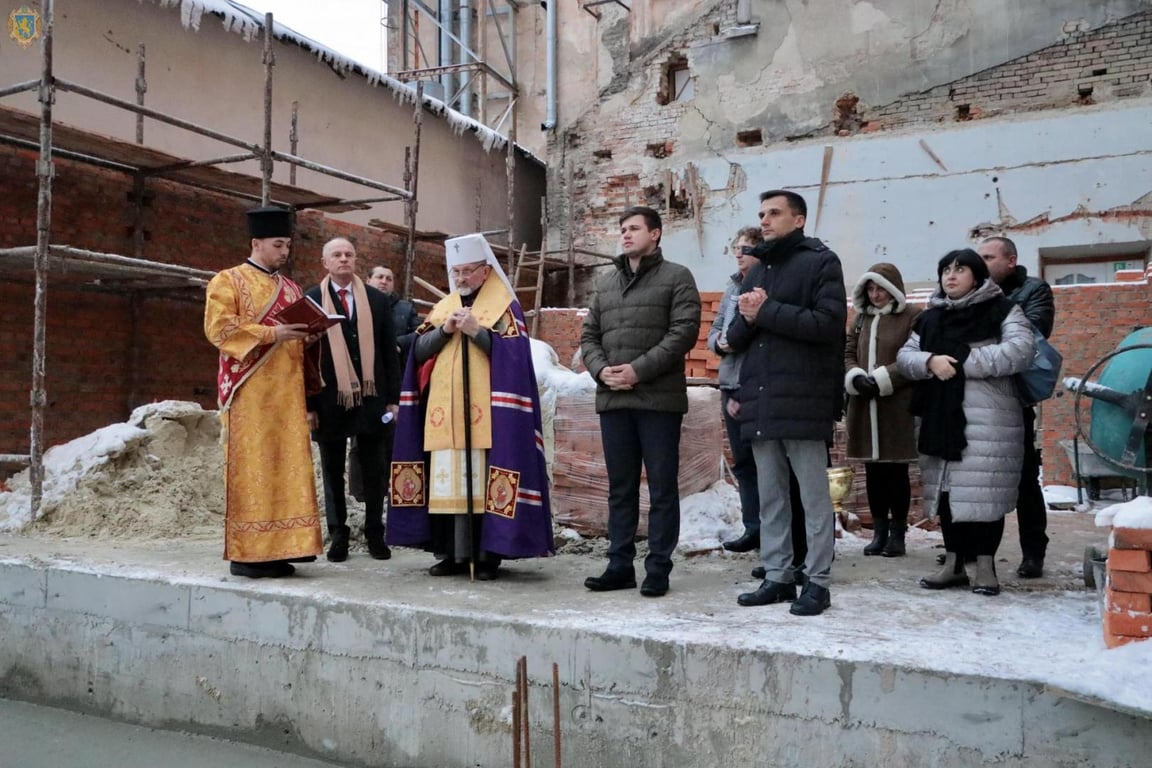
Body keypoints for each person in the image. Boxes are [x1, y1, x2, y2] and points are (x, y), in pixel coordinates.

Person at [386, 234, 553, 580]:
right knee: (446, 485)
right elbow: (417, 353)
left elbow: (515, 359)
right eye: (456, 271)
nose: (460, 278)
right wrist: (445, 331)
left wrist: (479, 332)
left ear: (485, 270)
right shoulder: (444, 307)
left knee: (480, 487)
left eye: (467, 271)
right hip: (442, 415)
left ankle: (486, 555)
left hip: (487, 418)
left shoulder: (505, 307)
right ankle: (450, 554)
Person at [726, 190, 846, 617]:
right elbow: (738, 340)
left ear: (799, 220)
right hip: (762, 400)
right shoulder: (758, 270)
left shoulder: (821, 262)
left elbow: (829, 325)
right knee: (772, 497)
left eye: (774, 213)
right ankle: (777, 576)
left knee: (814, 499)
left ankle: (817, 582)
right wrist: (744, 316)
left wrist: (767, 311)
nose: (765, 221)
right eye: (761, 214)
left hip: (804, 401)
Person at [897, 249, 1034, 596]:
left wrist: (960, 361)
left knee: (985, 492)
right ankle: (954, 564)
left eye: (960, 269)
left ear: (977, 275)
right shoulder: (931, 318)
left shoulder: (1003, 310)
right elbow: (904, 356)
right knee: (947, 493)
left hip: (989, 421)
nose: (950, 276)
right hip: (940, 417)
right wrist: (929, 361)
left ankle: (986, 567)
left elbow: (1021, 350)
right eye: (945, 270)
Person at [581, 205, 702, 598]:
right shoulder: (606, 282)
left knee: (662, 487)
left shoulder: (677, 277)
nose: (626, 234)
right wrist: (601, 371)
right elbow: (589, 336)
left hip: (657, 400)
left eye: (634, 228)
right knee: (621, 487)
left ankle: (658, 568)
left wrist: (637, 370)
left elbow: (683, 333)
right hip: (613, 399)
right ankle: (619, 565)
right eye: (622, 229)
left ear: (656, 234)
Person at [203, 206, 323, 579]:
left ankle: (282, 549)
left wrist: (312, 335)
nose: (285, 251)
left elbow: (296, 337)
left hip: (287, 394)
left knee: (286, 468)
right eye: (277, 244)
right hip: (251, 393)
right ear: (256, 243)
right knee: (254, 470)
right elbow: (219, 329)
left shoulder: (291, 288)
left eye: (287, 244)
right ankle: (248, 555)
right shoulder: (228, 281)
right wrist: (272, 333)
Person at [709, 227, 808, 568]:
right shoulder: (732, 285)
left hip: (756, 387)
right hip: (729, 383)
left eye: (746, 248)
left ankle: (782, 543)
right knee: (745, 466)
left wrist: (733, 339)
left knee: (774, 469)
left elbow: (756, 337)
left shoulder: (767, 286)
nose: (739, 254)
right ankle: (754, 528)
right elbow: (717, 328)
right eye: (736, 248)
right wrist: (718, 342)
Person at [306, 238, 401, 563]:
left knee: (374, 468)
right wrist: (307, 406)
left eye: (349, 254)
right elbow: (305, 356)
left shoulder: (375, 298)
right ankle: (338, 536)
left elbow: (389, 350)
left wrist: (393, 399)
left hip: (372, 398)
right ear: (325, 262)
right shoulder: (312, 299)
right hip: (328, 399)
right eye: (337, 255)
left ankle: (376, 532)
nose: (344, 259)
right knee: (333, 471)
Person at [978, 236, 1055, 579]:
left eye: (989, 257)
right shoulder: (973, 290)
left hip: (1014, 397)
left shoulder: (1033, 290)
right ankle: (976, 555)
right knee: (981, 480)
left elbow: (1029, 335)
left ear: (1010, 260)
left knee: (1024, 480)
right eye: (979, 257)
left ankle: (1033, 553)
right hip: (979, 397)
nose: (982, 264)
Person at [843, 263, 922, 557]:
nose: (876, 295)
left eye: (881, 289)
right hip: (865, 405)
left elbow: (913, 357)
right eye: (871, 289)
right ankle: (878, 533)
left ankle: (898, 534)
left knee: (896, 473)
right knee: (873, 473)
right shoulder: (861, 319)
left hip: (896, 407)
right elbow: (848, 351)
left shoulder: (913, 316)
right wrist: (855, 377)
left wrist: (882, 379)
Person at [367, 265, 422, 359]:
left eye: (389, 279)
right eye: (380, 277)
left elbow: (420, 332)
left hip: (394, 363)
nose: (384, 282)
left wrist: (398, 344)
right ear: (368, 281)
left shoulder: (406, 309)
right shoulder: (357, 304)